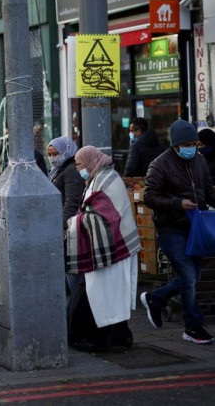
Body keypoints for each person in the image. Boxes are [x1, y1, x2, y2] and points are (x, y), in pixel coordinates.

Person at [141, 119, 215, 344]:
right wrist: (177, 203)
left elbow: (207, 190)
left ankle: (156, 298)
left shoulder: (199, 161)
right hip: (171, 227)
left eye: (195, 143)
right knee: (189, 276)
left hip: (195, 227)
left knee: (193, 276)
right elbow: (149, 196)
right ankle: (193, 327)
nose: (192, 148)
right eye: (189, 144)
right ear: (176, 144)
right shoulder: (159, 165)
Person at [66, 146, 140, 352]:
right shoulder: (99, 177)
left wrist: (74, 223)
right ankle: (117, 336)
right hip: (111, 248)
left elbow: (105, 216)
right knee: (109, 295)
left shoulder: (106, 179)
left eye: (80, 165)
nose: (79, 169)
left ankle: (102, 338)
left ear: (90, 162)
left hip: (114, 249)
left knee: (103, 295)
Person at [47, 136, 84, 231]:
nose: (52, 158)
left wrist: (62, 227)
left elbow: (72, 201)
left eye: (55, 154)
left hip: (67, 225)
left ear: (65, 151)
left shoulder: (71, 170)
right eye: (49, 155)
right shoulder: (58, 169)